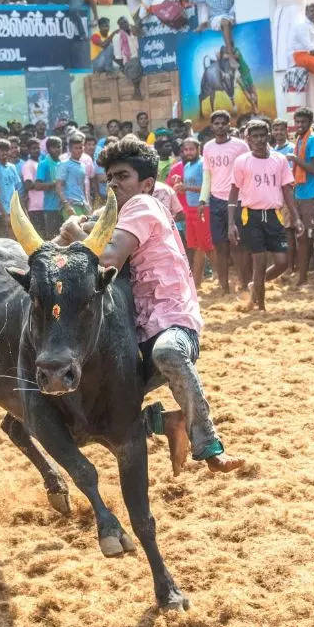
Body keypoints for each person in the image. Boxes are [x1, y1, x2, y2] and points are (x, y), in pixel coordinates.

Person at [56, 136, 243, 473]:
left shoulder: (143, 205)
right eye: (109, 177)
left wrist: (73, 232)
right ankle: (169, 423)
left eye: (122, 176)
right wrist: (65, 236)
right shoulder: (116, 210)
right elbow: (77, 232)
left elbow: (108, 255)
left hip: (172, 322)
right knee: (97, 416)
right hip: (141, 329)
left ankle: (209, 445)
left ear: (146, 183)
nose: (113, 183)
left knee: (168, 353)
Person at [229, 120, 301, 311]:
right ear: (248, 139)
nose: (260, 139)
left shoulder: (280, 159)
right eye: (255, 136)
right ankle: (260, 306)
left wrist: (296, 216)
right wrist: (231, 223)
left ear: (268, 135)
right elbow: (234, 193)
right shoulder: (241, 161)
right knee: (259, 262)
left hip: (273, 215)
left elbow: (287, 190)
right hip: (250, 216)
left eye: (263, 135)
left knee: (282, 262)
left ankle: (255, 286)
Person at [198, 110, 251, 295]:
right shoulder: (208, 147)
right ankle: (224, 287)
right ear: (212, 126)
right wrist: (203, 199)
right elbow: (207, 175)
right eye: (216, 123)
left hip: (237, 200)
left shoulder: (241, 146)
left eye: (223, 123)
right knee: (220, 246)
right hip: (216, 200)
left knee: (238, 245)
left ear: (229, 125)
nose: (220, 126)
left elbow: (249, 171)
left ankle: (244, 284)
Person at [288, 108, 314, 286]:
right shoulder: (299, 139)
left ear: (310, 122)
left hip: (312, 194)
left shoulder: (313, 139)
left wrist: (295, 159)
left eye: (303, 122)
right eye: (297, 122)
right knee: (302, 237)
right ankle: (303, 277)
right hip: (300, 192)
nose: (299, 125)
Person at [168, 138, 212, 286]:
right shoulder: (186, 166)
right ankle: (197, 281)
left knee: (206, 245)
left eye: (191, 149)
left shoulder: (202, 164)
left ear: (198, 149)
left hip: (202, 207)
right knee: (195, 246)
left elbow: (208, 187)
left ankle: (218, 276)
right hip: (190, 209)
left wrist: (186, 187)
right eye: (186, 150)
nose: (188, 152)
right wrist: (180, 181)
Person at [56, 134, 92, 216]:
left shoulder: (83, 165)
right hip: (71, 204)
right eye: (76, 148)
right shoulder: (64, 164)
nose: (79, 150)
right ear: (70, 149)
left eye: (81, 147)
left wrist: (88, 203)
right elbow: (58, 187)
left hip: (82, 204)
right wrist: (66, 205)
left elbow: (83, 187)